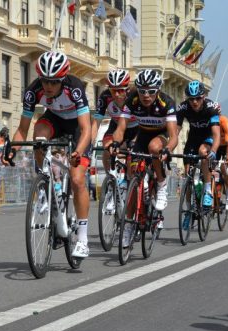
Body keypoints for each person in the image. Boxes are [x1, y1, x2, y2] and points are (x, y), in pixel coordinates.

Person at [10, 51, 92, 258]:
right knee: (39, 136)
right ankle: (45, 184)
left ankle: (82, 238)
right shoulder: (33, 91)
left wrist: (78, 151)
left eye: (54, 82)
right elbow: (22, 130)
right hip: (54, 119)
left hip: (77, 127)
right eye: (44, 80)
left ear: (62, 80)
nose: (48, 86)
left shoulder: (74, 88)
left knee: (77, 178)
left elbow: (86, 129)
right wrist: (11, 149)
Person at [110, 69, 178, 248]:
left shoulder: (167, 103)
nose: (146, 95)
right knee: (133, 177)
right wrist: (116, 143)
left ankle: (161, 184)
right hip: (142, 135)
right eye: (142, 91)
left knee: (154, 148)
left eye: (150, 91)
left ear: (158, 90)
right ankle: (128, 226)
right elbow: (120, 128)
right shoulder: (131, 100)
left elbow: (174, 135)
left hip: (160, 135)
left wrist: (168, 149)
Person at [175, 80, 221, 212]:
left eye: (198, 98)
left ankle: (207, 190)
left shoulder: (211, 108)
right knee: (188, 176)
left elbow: (217, 134)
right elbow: (176, 132)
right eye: (191, 99)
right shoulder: (183, 108)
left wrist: (213, 150)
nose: (194, 102)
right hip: (193, 138)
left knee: (203, 152)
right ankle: (189, 210)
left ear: (203, 97)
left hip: (208, 137)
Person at [92, 69, 138, 175]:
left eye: (120, 90)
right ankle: (110, 179)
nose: (117, 94)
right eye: (113, 90)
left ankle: (133, 180)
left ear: (127, 89)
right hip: (116, 126)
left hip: (136, 128)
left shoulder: (134, 96)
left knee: (132, 155)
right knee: (108, 149)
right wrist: (89, 144)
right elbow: (96, 123)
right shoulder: (105, 97)